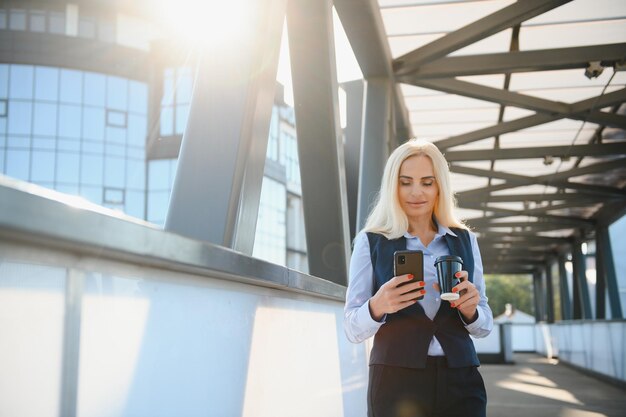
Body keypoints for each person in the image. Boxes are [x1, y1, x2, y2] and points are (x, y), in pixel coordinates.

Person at [344, 139, 493, 417]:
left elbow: (484, 325)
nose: (416, 192)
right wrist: (378, 306)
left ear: (440, 187)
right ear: (393, 185)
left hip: (461, 378)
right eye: (405, 182)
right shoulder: (371, 241)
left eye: (427, 182)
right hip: (394, 381)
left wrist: (472, 312)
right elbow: (352, 329)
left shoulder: (466, 240)